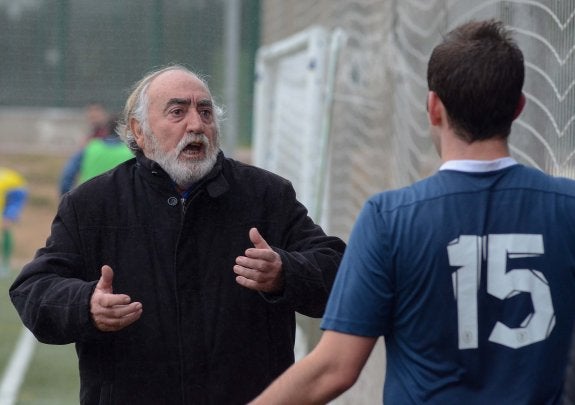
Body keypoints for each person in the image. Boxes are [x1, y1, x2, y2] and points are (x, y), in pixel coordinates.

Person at [250, 19, 575, 404]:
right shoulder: (566, 206)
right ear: (518, 107)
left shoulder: (390, 218)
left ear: (433, 107)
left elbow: (334, 369)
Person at [9, 64, 346, 404]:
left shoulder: (267, 196)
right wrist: (85, 305)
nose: (196, 125)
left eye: (205, 111)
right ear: (139, 132)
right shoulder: (92, 205)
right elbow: (33, 290)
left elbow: (340, 273)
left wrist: (285, 272)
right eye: (177, 111)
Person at [59, 116, 133, 195]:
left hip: (88, 198)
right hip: (120, 201)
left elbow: (68, 175)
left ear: (105, 130)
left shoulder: (90, 147)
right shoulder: (130, 153)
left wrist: (66, 196)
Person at [59, 102, 112, 195]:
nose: (93, 119)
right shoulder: (90, 138)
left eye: (96, 116)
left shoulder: (91, 144)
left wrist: (65, 195)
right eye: (91, 116)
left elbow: (69, 173)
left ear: (104, 115)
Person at [0, 167, 28, 276]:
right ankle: (5, 264)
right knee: (5, 225)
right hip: (13, 187)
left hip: (16, 191)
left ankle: (5, 265)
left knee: (6, 224)